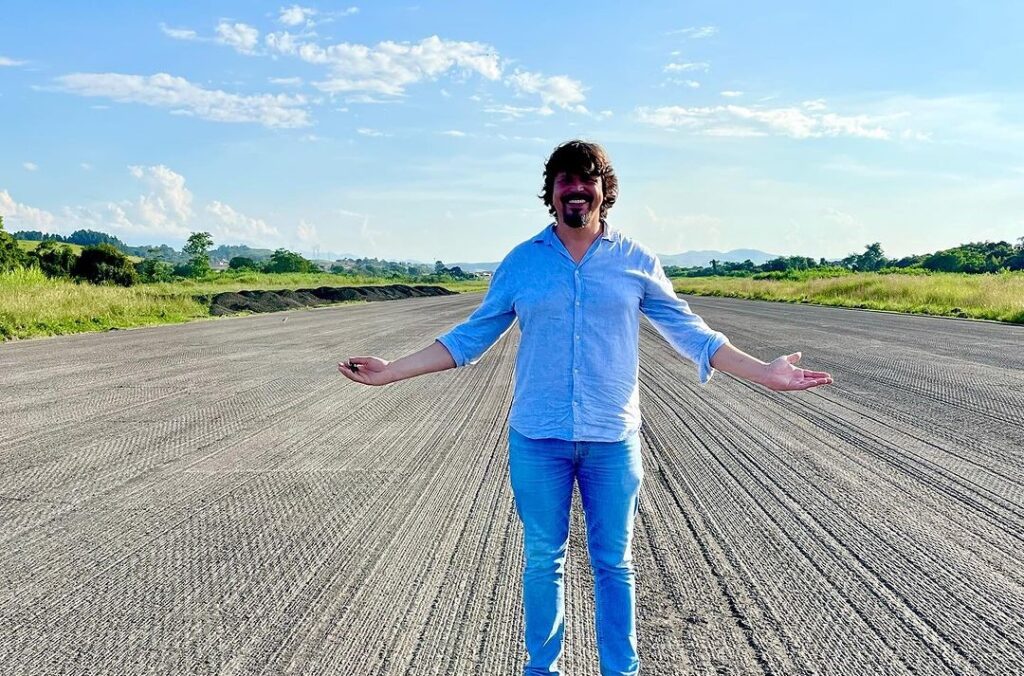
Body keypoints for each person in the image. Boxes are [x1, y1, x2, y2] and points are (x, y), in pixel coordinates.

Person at [338, 140, 833, 676]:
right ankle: (541, 669)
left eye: (587, 179)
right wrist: (391, 371)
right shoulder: (523, 262)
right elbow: (469, 337)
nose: (576, 188)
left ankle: (621, 670)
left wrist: (764, 372)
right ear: (551, 193)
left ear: (604, 190)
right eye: (565, 180)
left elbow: (692, 333)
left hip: (612, 439)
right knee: (542, 560)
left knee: (614, 564)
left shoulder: (635, 261)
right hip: (538, 439)